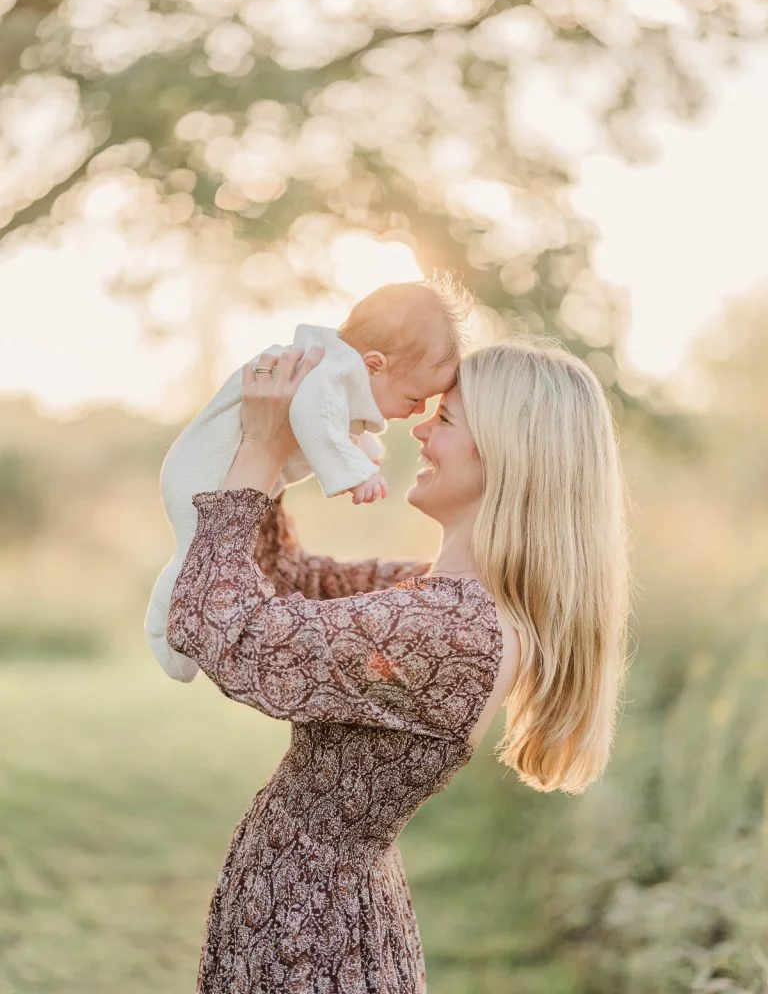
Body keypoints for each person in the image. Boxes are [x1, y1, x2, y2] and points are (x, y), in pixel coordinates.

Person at [166, 337, 630, 994]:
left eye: (442, 419)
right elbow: (297, 580)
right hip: (305, 922)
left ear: (505, 457)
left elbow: (223, 629)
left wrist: (261, 452)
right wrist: (289, 437)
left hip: (315, 948)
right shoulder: (440, 600)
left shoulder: (453, 630)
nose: (418, 428)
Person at [147, 279, 468, 682]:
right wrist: (353, 472)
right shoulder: (329, 372)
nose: (420, 412)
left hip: (221, 478)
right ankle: (166, 633)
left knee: (204, 554)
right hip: (201, 478)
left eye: (439, 412)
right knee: (194, 555)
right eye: (414, 398)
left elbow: (325, 424)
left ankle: (172, 628)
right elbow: (312, 419)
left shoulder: (337, 374)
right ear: (373, 365)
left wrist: (354, 446)